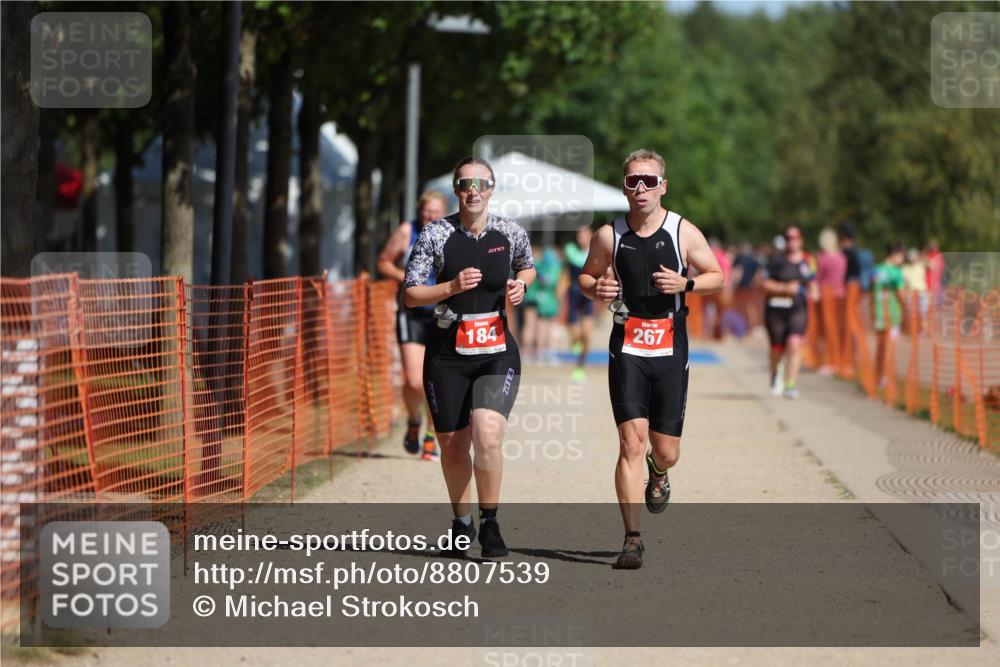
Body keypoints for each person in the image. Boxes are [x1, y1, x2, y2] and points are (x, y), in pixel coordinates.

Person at [578, 149, 724, 569]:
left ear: (663, 186)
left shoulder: (683, 231)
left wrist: (686, 284)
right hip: (627, 345)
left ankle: (658, 472)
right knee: (630, 442)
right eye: (632, 181)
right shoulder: (609, 235)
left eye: (648, 181)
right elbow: (586, 276)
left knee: (666, 450)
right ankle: (632, 539)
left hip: (670, 345)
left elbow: (717, 276)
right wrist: (595, 289)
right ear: (624, 188)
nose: (640, 188)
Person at [403, 157, 535, 559]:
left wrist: (521, 285)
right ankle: (462, 524)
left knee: (487, 435)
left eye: (480, 183)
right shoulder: (436, 233)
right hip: (447, 351)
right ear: (456, 191)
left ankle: (490, 523)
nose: (472, 191)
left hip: (496, 350)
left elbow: (527, 267)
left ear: (491, 189)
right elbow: (410, 293)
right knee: (453, 443)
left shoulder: (509, 231)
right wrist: (450, 287)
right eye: (464, 184)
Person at [376, 191, 447, 460]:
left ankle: (430, 436)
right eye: (427, 211)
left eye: (436, 211)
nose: (431, 216)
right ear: (420, 211)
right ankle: (414, 419)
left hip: (442, 313)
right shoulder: (407, 231)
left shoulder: (451, 233)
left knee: (437, 380)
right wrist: (405, 277)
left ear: (443, 213)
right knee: (414, 381)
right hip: (411, 312)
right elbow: (383, 262)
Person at [762, 226, 819, 399]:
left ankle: (790, 384)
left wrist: (814, 291)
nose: (792, 242)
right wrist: (785, 288)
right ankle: (775, 373)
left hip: (798, 309)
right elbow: (764, 283)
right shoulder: (776, 260)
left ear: (801, 240)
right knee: (777, 349)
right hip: (776, 309)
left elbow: (812, 282)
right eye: (788, 238)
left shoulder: (808, 260)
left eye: (795, 238)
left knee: (794, 343)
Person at [564, 225, 596, 383]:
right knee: (575, 334)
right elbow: (568, 268)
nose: (581, 237)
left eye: (584, 234)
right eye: (579, 234)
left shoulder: (595, 253)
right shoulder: (571, 251)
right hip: (574, 294)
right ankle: (575, 341)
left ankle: (580, 367)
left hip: (588, 295)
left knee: (587, 336)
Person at [520, 244, 562, 363]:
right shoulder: (540, 267)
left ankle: (531, 352)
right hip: (539, 299)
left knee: (533, 326)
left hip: (532, 298)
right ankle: (534, 352)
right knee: (536, 327)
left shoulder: (533, 266)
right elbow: (549, 283)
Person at [814, 227, 846, 375]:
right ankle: (837, 360)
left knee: (826, 330)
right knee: (836, 329)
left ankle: (829, 362)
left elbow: (818, 277)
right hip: (840, 295)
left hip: (826, 297)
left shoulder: (823, 258)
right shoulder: (841, 257)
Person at [873, 243, 906, 387]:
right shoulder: (896, 272)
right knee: (889, 346)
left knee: (881, 346)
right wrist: (907, 307)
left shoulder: (876, 270)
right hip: (892, 314)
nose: (902, 260)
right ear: (894, 254)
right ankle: (886, 376)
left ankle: (878, 375)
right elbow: (901, 294)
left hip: (879, 312)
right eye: (901, 256)